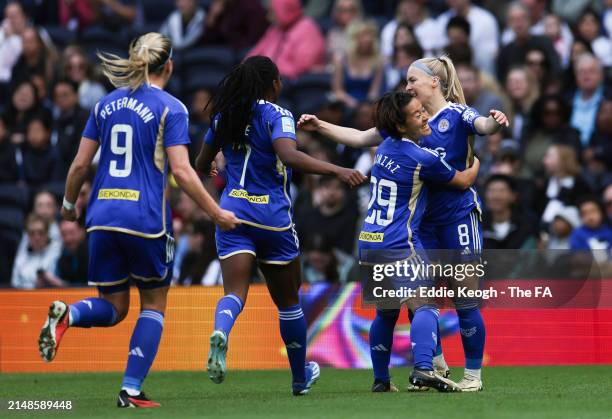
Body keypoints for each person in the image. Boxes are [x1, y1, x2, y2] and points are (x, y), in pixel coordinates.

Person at [37, 32, 239, 409]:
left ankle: (70, 313)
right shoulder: (171, 108)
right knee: (153, 305)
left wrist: (68, 205)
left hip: (101, 215)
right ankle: (130, 390)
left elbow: (80, 164)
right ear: (170, 66)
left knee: (113, 307)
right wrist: (216, 212)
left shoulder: (104, 105)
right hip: (144, 218)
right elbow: (180, 168)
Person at [298, 55, 509, 392]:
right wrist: (321, 125)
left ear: (434, 82)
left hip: (456, 218)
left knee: (463, 298)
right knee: (420, 298)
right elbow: (360, 136)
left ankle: (472, 375)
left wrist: (495, 122)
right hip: (419, 222)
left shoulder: (453, 114)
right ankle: (432, 364)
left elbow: (482, 125)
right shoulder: (407, 124)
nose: (407, 86)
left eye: (412, 80)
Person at [195, 55, 366, 395]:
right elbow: (288, 156)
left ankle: (221, 333)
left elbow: (200, 163)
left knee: (234, 293)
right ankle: (299, 378)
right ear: (273, 83)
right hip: (272, 219)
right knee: (288, 302)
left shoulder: (224, 115)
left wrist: (217, 160)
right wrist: (337, 170)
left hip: (232, 214)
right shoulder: (278, 115)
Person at [359, 92, 484, 392]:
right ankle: (424, 368)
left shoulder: (384, 148)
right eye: (417, 114)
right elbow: (463, 180)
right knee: (426, 304)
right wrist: (476, 161)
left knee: (386, 312)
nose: (425, 115)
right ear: (401, 125)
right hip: (399, 243)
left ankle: (381, 381)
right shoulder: (421, 158)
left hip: (368, 240)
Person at [246, 0, 325, 80]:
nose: (268, 17)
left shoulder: (307, 28)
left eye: (272, 11)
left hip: (294, 83)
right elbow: (257, 51)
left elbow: (301, 67)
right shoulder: (276, 28)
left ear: (284, 10)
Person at [331, 20, 383, 109]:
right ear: (354, 39)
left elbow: (374, 92)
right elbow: (337, 90)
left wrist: (365, 105)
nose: (368, 39)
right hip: (345, 103)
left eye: (370, 35)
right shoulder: (341, 60)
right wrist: (350, 102)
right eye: (363, 35)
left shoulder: (377, 62)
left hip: (367, 105)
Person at [11, 213, 62, 289]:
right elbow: (14, 283)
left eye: (40, 232)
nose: (36, 237)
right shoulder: (21, 256)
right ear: (27, 235)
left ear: (47, 233)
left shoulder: (58, 253)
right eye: (32, 233)